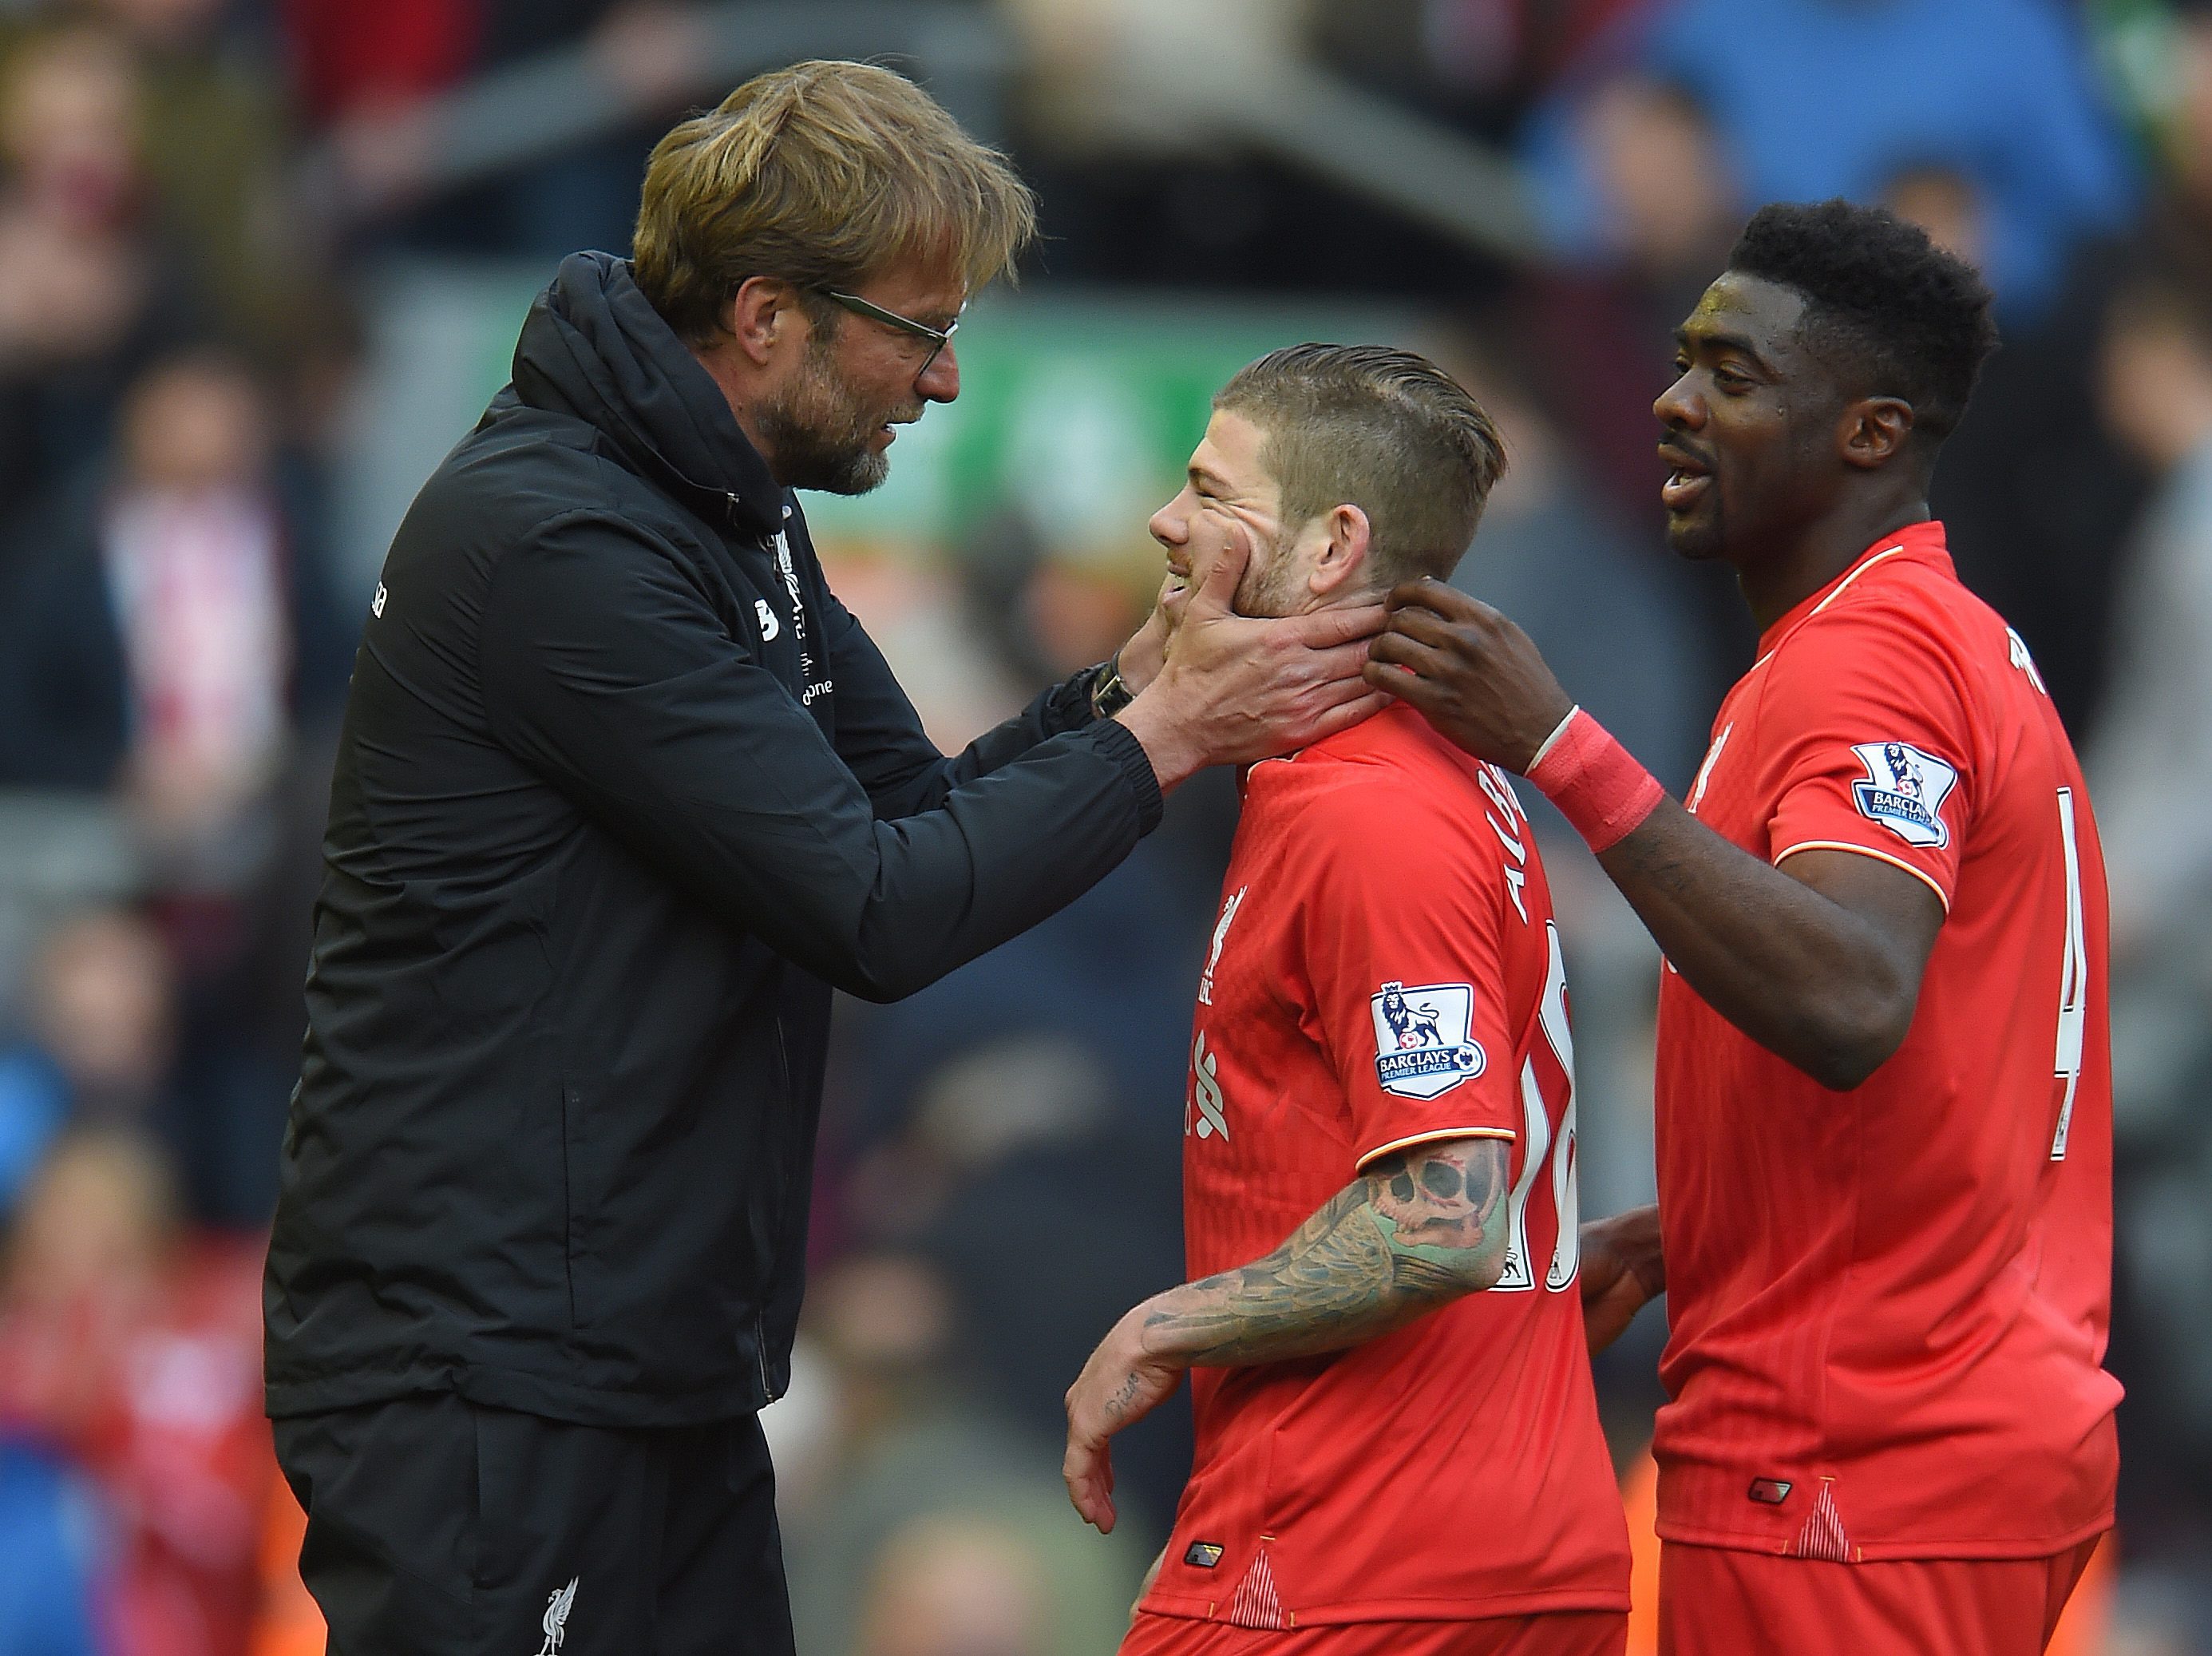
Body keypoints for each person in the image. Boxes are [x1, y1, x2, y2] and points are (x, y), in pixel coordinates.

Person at [262, 61, 1384, 1656]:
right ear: (768, 315)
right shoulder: (560, 540)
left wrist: (1135, 683)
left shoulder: (726, 509)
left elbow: (914, 809)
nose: (943, 379)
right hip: (489, 1374)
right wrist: (1173, 733)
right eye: (919, 330)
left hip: (647, 1357)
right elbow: (875, 904)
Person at [1367, 201, 2119, 1654]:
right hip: (1923, 1426)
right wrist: (1709, 1223)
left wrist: (1559, 745)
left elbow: (1853, 994)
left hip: (1858, 1456)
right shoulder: (1918, 638)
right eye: (1681, 361)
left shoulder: (1872, 661)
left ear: (1870, 432)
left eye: (1734, 375)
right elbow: (1952, 1051)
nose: (1673, 402)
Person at [1064, 345, 1633, 1656]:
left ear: (1332, 547)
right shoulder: (1439, 775)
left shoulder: (1367, 816)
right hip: (1495, 1547)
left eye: (1212, 492)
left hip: (1350, 1549)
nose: (1166, 520)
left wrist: (1161, 1327)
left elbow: (1444, 1216)